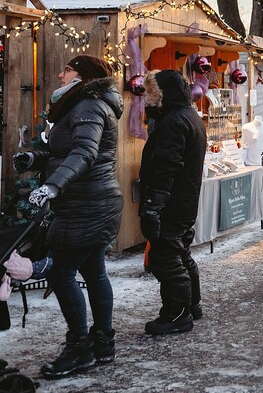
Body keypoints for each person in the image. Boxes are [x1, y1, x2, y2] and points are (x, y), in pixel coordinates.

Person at [16, 55, 122, 378]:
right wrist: (35, 157)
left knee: (61, 273)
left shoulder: (89, 106)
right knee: (94, 270)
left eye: (67, 69)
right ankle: (103, 341)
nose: (60, 74)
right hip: (93, 201)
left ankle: (80, 347)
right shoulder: (81, 105)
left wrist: (52, 187)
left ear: (83, 77)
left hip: (87, 205)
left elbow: (85, 153)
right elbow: (65, 149)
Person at [139, 70, 207, 335]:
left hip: (173, 200)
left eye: (151, 94)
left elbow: (167, 166)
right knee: (179, 250)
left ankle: (177, 314)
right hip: (184, 198)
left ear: (162, 94)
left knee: (165, 256)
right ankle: (192, 304)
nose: (147, 98)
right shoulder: (188, 117)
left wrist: (154, 206)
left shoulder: (174, 121)